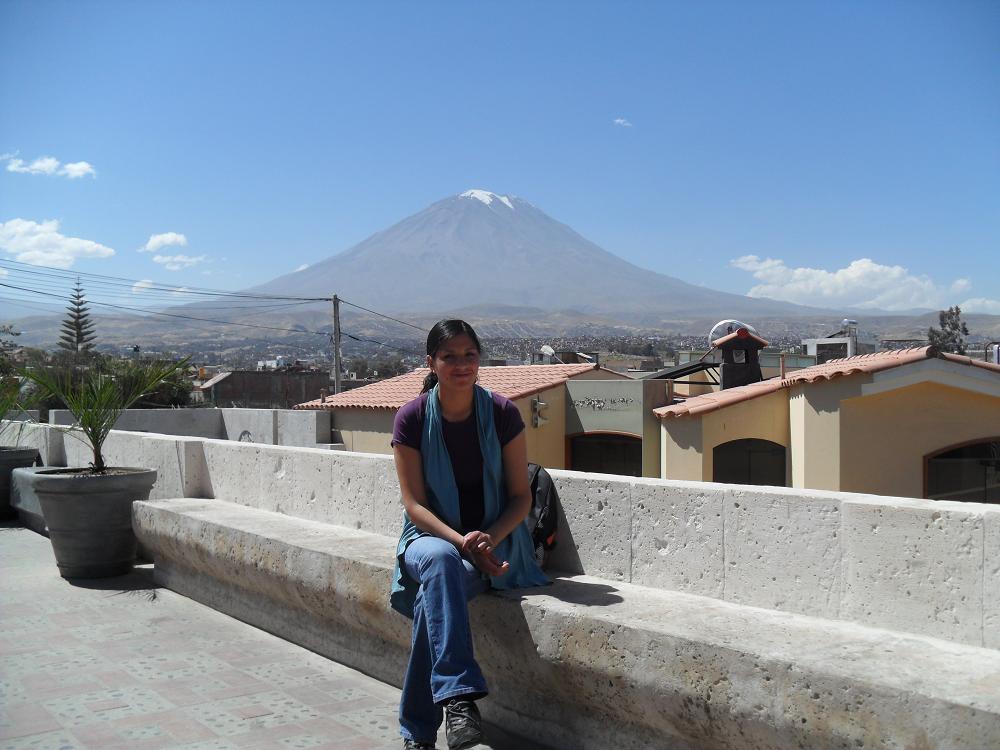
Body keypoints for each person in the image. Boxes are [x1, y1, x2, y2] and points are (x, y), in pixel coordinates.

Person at [390, 319, 549, 750]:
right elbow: (414, 505)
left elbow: (521, 497)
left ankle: (419, 733)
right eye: (449, 356)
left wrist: (487, 540)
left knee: (432, 600)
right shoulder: (412, 417)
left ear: (480, 359)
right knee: (441, 560)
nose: (461, 364)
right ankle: (459, 697)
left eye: (469, 355)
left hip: (493, 544)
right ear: (431, 362)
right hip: (428, 538)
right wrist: (462, 542)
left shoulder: (501, 414)